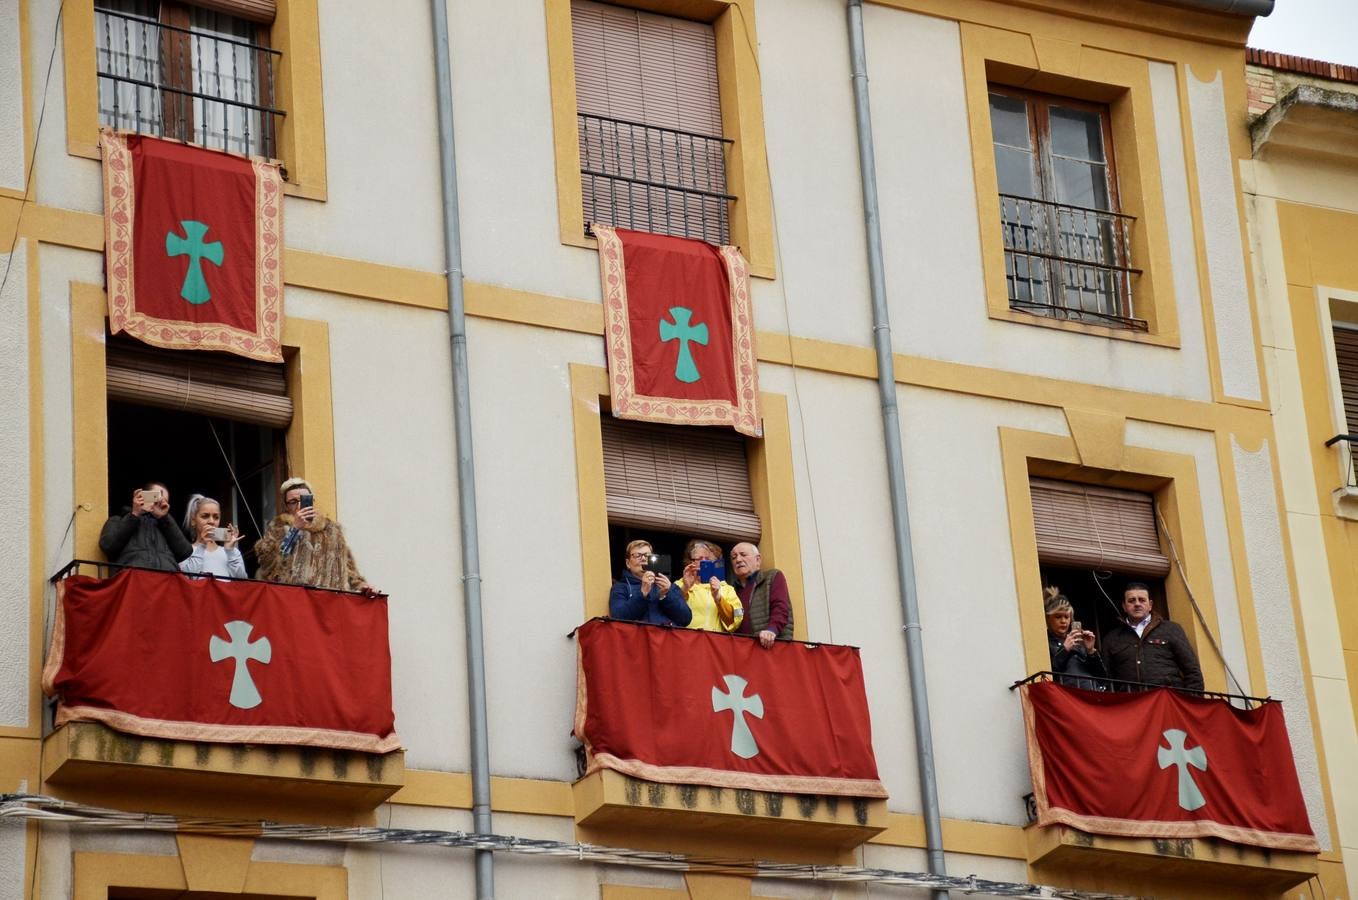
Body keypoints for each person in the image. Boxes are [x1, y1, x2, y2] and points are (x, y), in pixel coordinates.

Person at [255, 477, 379, 595]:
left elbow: (348, 569)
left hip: (329, 602)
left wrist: (362, 586)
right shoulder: (278, 528)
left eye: (303, 500)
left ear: (311, 501)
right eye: (293, 502)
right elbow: (269, 568)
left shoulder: (332, 530)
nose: (298, 505)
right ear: (287, 506)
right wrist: (295, 529)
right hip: (294, 602)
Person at [1102, 582, 1204, 691]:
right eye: (1131, 601)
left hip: (1168, 702)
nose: (1137, 604)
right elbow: (1106, 678)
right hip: (1131, 704)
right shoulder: (1112, 638)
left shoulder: (1171, 629)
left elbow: (1192, 671)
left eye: (1142, 600)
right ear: (1124, 606)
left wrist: (1189, 703)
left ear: (1150, 605)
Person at [98, 482, 194, 572]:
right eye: (156, 497)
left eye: (164, 501)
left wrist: (164, 518)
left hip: (166, 583)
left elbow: (185, 552)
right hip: (134, 580)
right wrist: (134, 515)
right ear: (142, 496)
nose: (160, 502)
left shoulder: (166, 526)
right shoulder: (117, 520)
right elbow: (108, 546)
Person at [608, 539, 692, 626]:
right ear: (628, 563)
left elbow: (685, 619)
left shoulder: (666, 585)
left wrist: (666, 595)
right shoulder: (620, 587)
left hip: (666, 638)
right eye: (637, 555)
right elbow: (618, 617)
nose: (643, 558)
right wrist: (642, 593)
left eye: (647, 555)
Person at [729, 542, 793, 648]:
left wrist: (771, 630)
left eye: (743, 555)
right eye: (734, 557)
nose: (738, 560)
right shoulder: (731, 590)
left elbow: (780, 608)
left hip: (770, 648)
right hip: (740, 651)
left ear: (758, 560)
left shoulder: (772, 577)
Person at [1044, 586, 1106, 691]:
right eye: (1058, 617)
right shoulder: (1044, 641)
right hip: (1066, 696)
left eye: (1067, 617)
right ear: (1048, 618)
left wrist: (1091, 651)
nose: (1063, 621)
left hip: (1089, 694)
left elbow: (1101, 676)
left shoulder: (1079, 642)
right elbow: (1048, 672)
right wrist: (1065, 649)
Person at [680, 539, 743, 633]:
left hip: (713, 643)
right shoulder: (680, 584)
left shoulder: (727, 589)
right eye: (699, 558)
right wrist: (685, 588)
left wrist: (718, 598)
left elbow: (736, 619)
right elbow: (669, 611)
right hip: (686, 640)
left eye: (708, 559)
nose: (704, 562)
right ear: (691, 562)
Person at [178, 494, 247, 579]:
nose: (211, 521)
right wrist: (202, 545)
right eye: (205, 516)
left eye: (216, 517)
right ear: (193, 521)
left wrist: (230, 551)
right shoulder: (184, 551)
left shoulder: (232, 552)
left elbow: (242, 582)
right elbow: (186, 579)